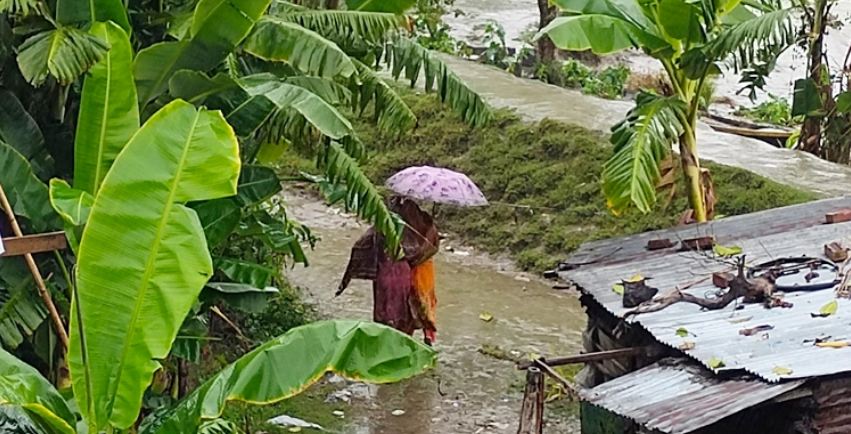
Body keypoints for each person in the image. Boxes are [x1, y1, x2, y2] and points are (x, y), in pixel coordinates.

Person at [338, 196, 440, 345]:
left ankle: (385, 347)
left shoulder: (383, 227)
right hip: (403, 275)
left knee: (384, 313)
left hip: (383, 274)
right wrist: (430, 229)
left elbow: (361, 245)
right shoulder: (417, 231)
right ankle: (403, 346)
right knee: (404, 315)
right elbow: (425, 249)